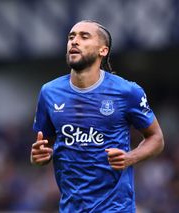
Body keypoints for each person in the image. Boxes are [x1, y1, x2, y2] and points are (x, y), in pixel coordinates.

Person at [30, 20, 164, 213]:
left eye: (84, 37)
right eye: (71, 37)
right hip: (70, 208)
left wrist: (130, 157)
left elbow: (156, 138)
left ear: (103, 51)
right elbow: (45, 147)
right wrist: (39, 157)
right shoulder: (49, 92)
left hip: (116, 208)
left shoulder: (127, 91)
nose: (74, 41)